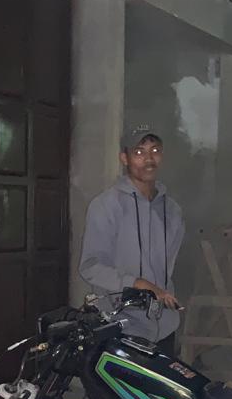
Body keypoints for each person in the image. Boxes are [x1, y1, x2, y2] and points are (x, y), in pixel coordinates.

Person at [78, 124, 185, 352]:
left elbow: (169, 268)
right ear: (124, 158)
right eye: (139, 152)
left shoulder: (172, 211)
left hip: (164, 328)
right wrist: (137, 283)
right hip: (119, 327)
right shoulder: (106, 206)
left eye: (155, 151)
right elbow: (91, 267)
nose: (148, 159)